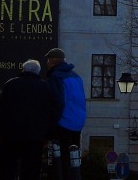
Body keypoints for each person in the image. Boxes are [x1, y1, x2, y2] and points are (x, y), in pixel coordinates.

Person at [0, 59, 53, 180]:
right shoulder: (45, 87)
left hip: (11, 135)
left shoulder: (10, 84)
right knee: (31, 170)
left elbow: (1, 110)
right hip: (35, 137)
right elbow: (49, 113)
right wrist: (47, 136)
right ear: (38, 72)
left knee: (8, 168)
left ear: (23, 69)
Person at [44, 48, 87, 180]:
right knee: (73, 160)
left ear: (52, 61)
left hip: (63, 123)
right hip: (77, 123)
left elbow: (56, 102)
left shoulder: (55, 77)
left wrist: (50, 127)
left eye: (48, 59)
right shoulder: (76, 76)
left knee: (60, 161)